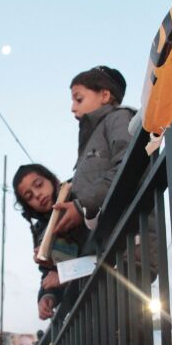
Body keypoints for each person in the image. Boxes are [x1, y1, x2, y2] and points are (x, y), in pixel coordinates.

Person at [53, 65, 136, 236]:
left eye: (79, 99)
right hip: (109, 239)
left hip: (131, 238)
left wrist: (82, 206)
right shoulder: (92, 139)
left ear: (104, 96)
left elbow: (129, 164)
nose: (72, 108)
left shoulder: (119, 118)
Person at [12, 163, 85, 320]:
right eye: (29, 197)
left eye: (39, 184)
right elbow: (50, 275)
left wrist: (65, 273)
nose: (37, 195)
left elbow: (101, 250)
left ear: (52, 179)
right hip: (89, 305)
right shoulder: (41, 236)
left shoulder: (82, 193)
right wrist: (47, 297)